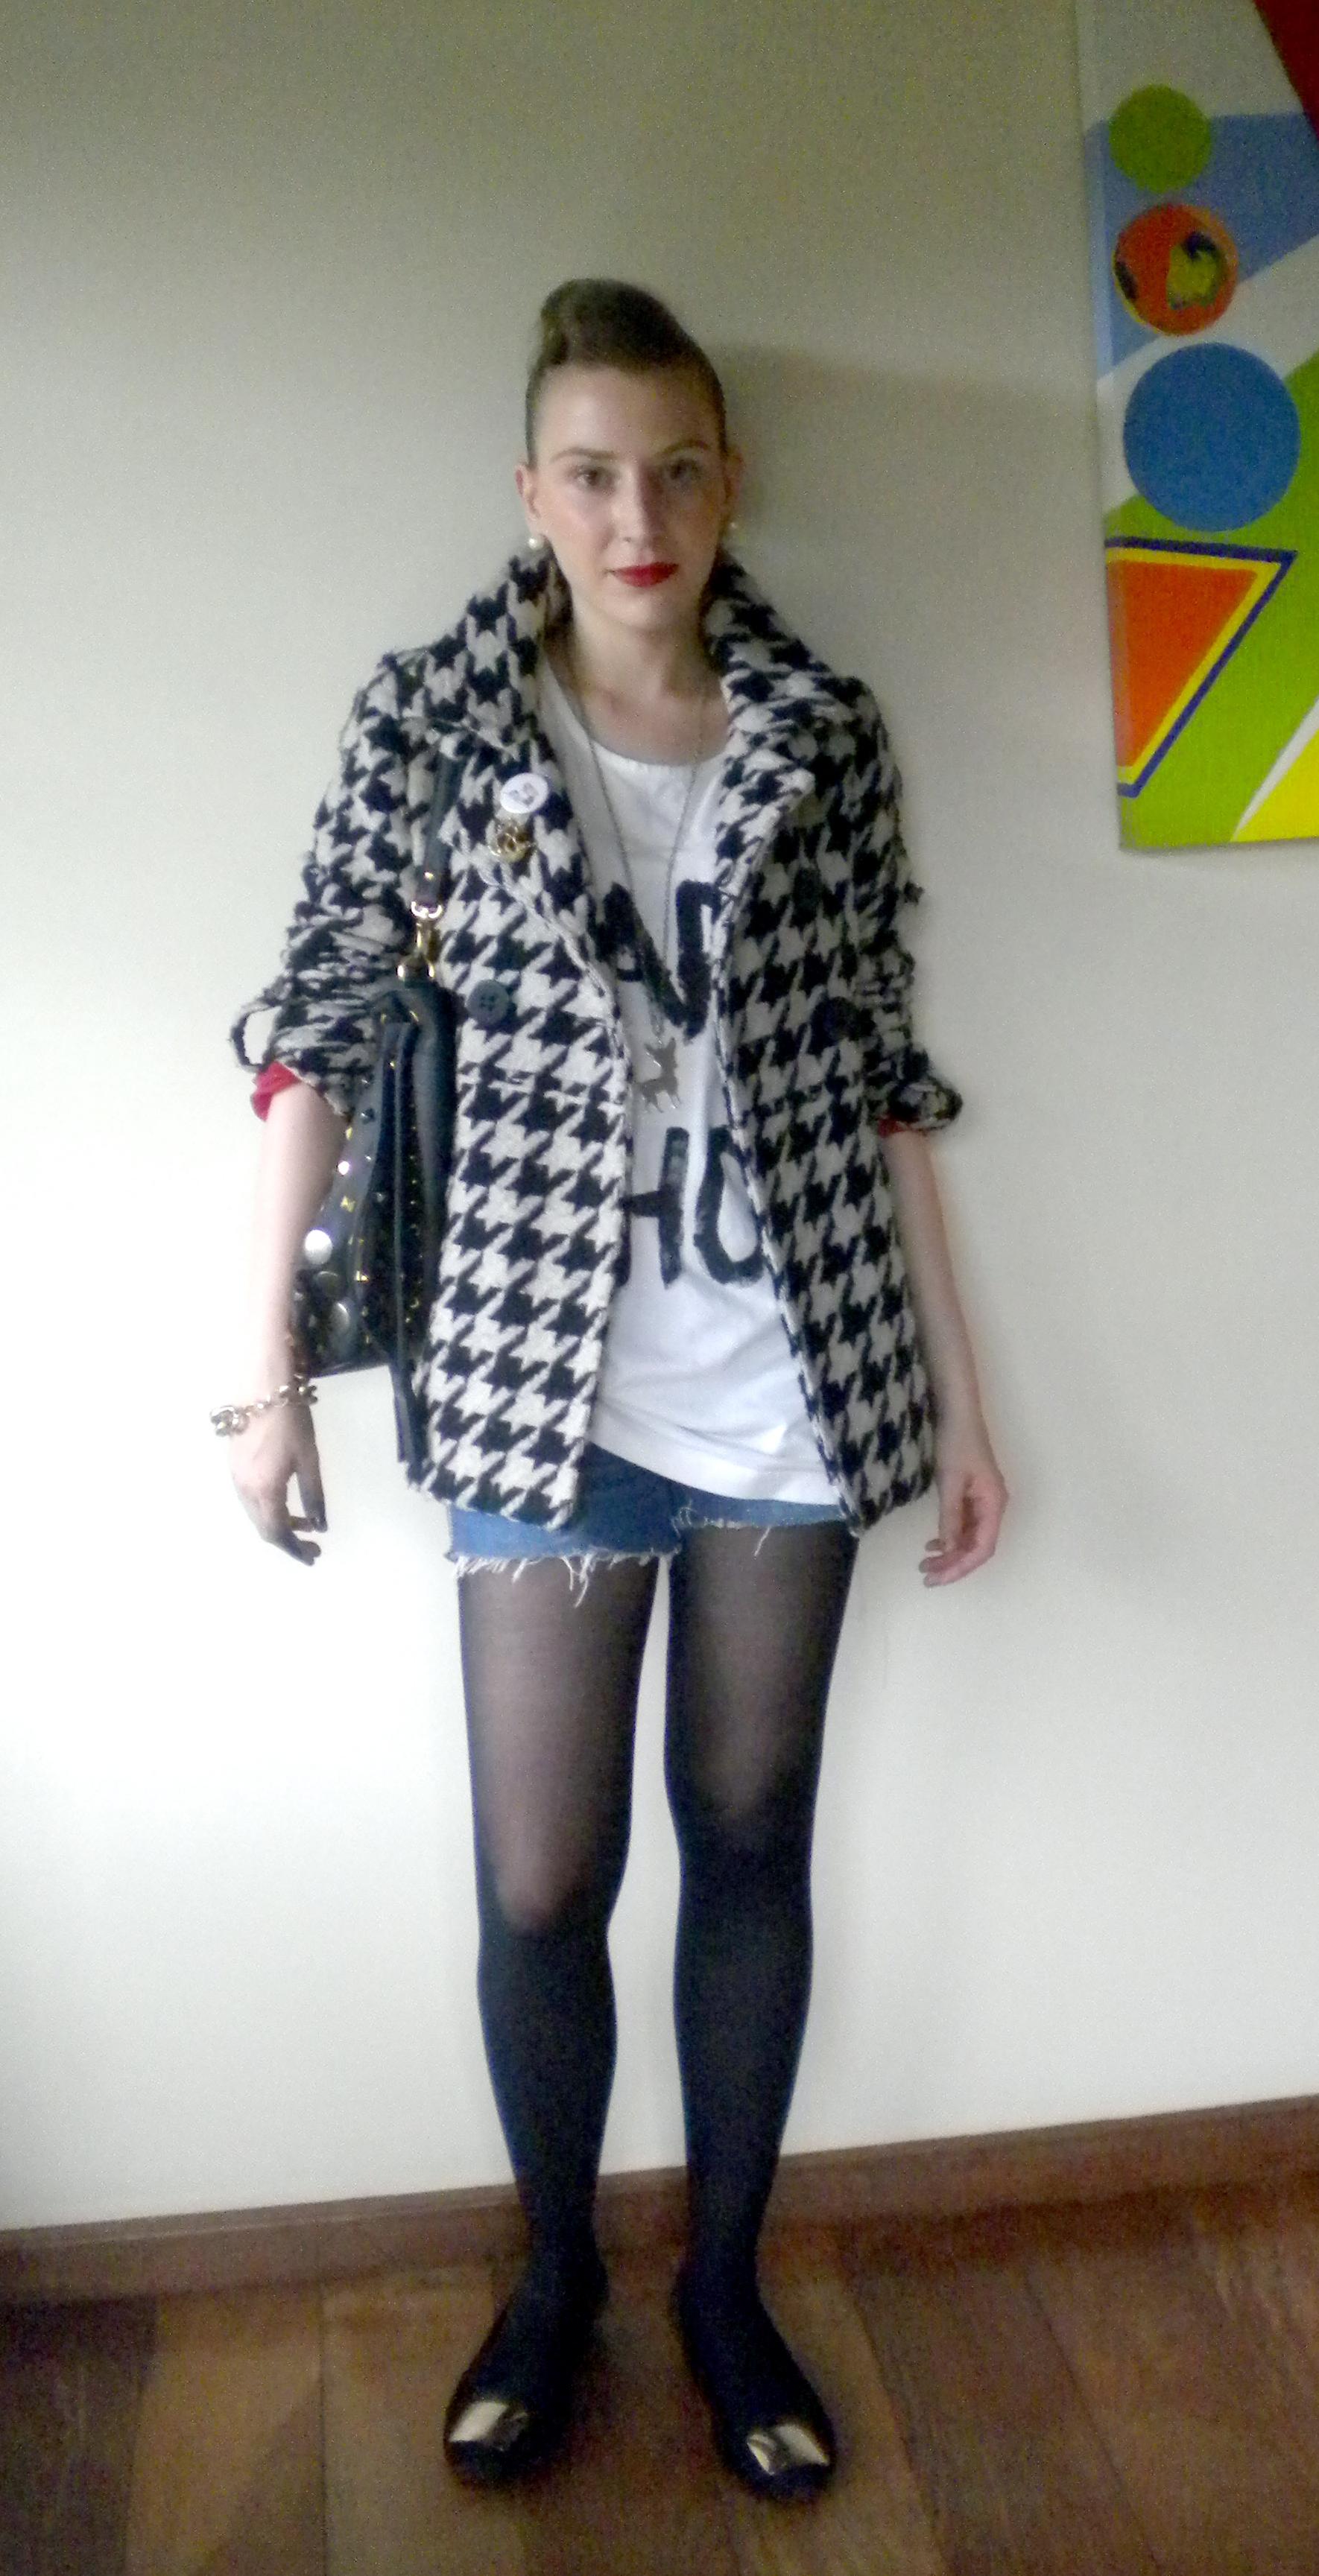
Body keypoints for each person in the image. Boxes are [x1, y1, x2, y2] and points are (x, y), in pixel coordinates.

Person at [221, 279, 1008, 2502]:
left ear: (729, 480)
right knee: (544, 1877)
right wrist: (261, 1372)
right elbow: (314, 1032)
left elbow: (879, 1074)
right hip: (536, 1390)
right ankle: (555, 2276)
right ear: (530, 491)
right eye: (590, 471)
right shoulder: (435, 721)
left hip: (787, 1384)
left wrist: (959, 1402)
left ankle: (723, 2287)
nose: (634, 513)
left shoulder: (820, 732)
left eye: (674, 467)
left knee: (752, 1840)